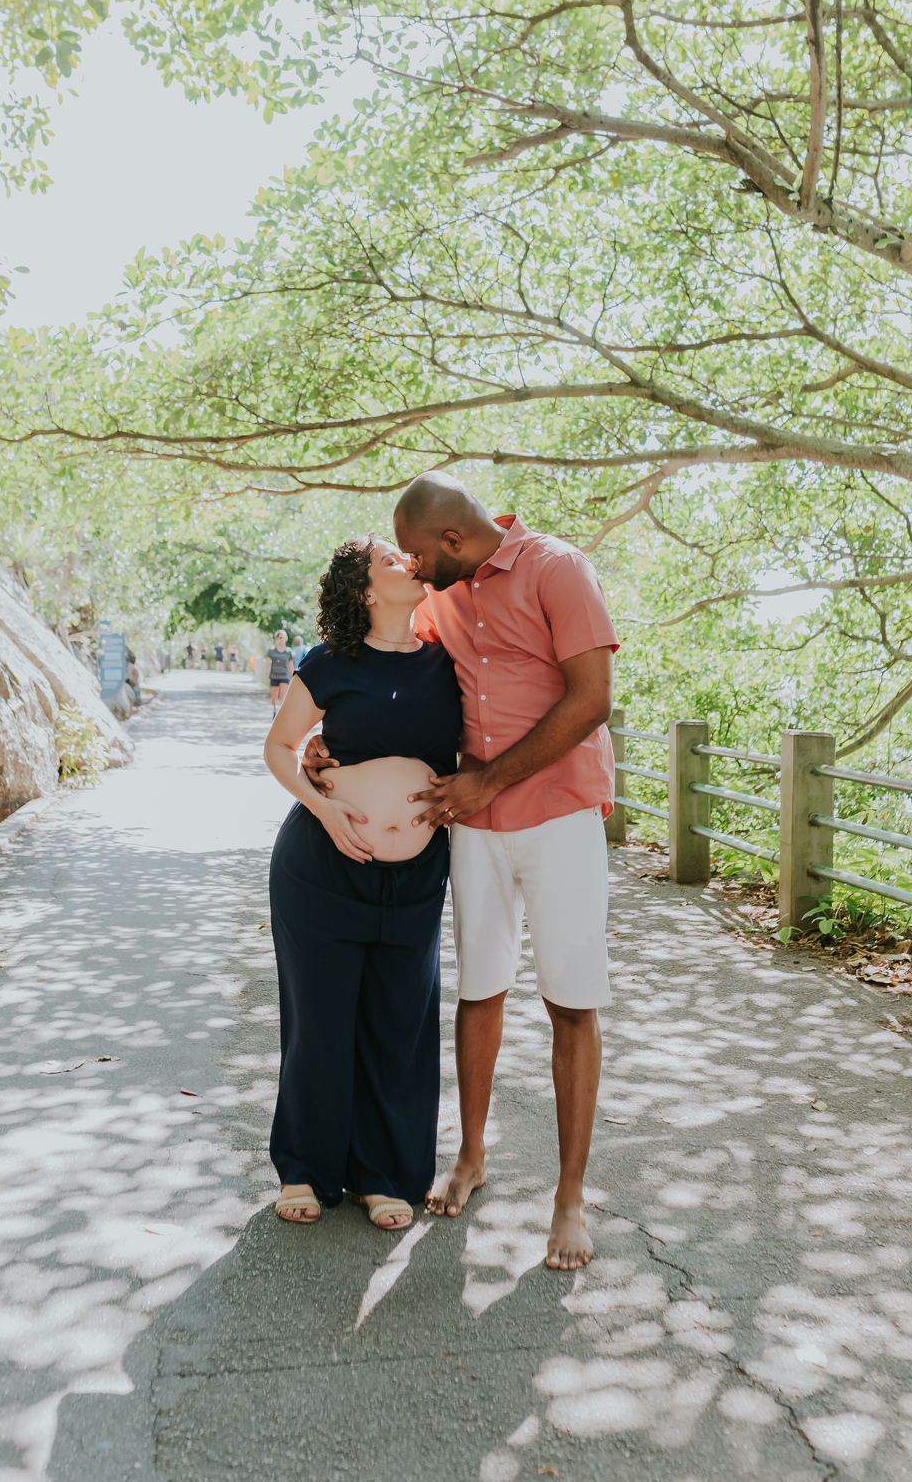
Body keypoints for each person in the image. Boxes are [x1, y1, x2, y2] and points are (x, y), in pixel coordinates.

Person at [305, 473, 616, 1271]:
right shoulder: (436, 596)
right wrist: (328, 742)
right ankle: (471, 1159)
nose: (410, 567)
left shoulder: (557, 568)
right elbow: (391, 677)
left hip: (559, 813)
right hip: (471, 825)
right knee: (479, 990)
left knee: (571, 1001)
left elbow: (590, 700)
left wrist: (489, 781)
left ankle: (570, 1200)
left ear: (451, 540)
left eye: (416, 554)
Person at [263, 536, 462, 1230]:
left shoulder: (448, 660)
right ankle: (306, 1169)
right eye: (389, 560)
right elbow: (279, 747)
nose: (409, 562)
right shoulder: (330, 663)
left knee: (399, 1023)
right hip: (321, 869)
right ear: (365, 592)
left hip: (416, 877)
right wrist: (321, 805)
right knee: (320, 1021)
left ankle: (383, 1175)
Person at [266, 630, 293, 714]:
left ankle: (280, 713)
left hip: (284, 675)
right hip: (274, 675)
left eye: (283, 637)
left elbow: (290, 665)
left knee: (283, 694)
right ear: (276, 639)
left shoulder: (288, 651)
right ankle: (274, 710)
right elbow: (267, 661)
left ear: (286, 638)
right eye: (279, 637)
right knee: (273, 696)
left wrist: (292, 676)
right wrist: (266, 668)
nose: (281, 639)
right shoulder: (271, 651)